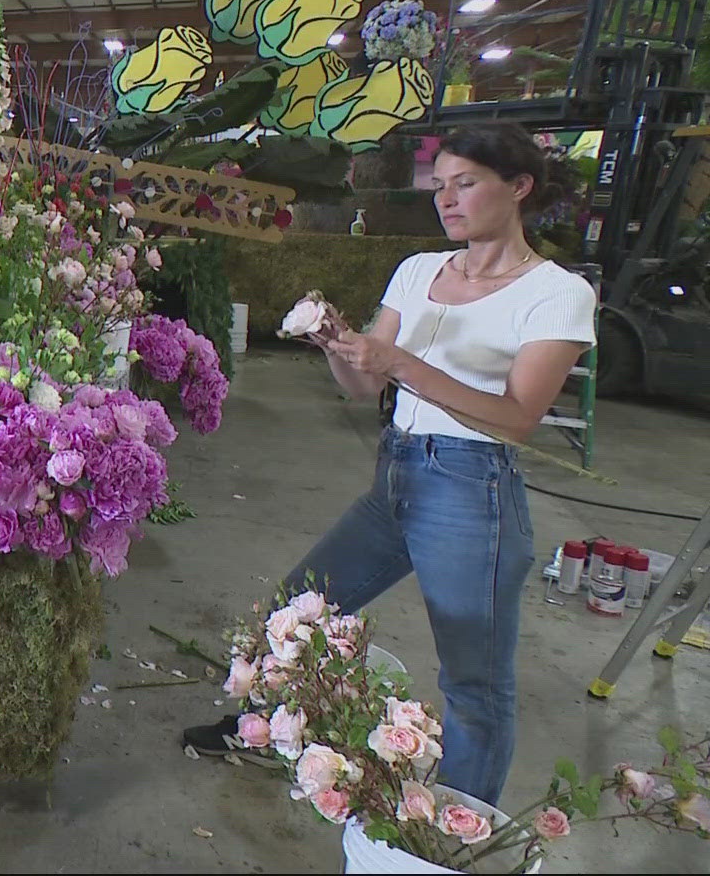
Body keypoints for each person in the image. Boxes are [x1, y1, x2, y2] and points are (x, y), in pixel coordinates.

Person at [183, 123, 596, 806]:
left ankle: (456, 831)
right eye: (441, 187)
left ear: (519, 188)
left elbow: (519, 417)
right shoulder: (418, 271)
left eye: (466, 184)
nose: (448, 201)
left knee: (474, 685)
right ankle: (256, 728)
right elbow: (365, 387)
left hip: (472, 493)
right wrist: (334, 346)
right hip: (397, 475)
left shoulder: (556, 293)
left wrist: (401, 362)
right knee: (295, 612)